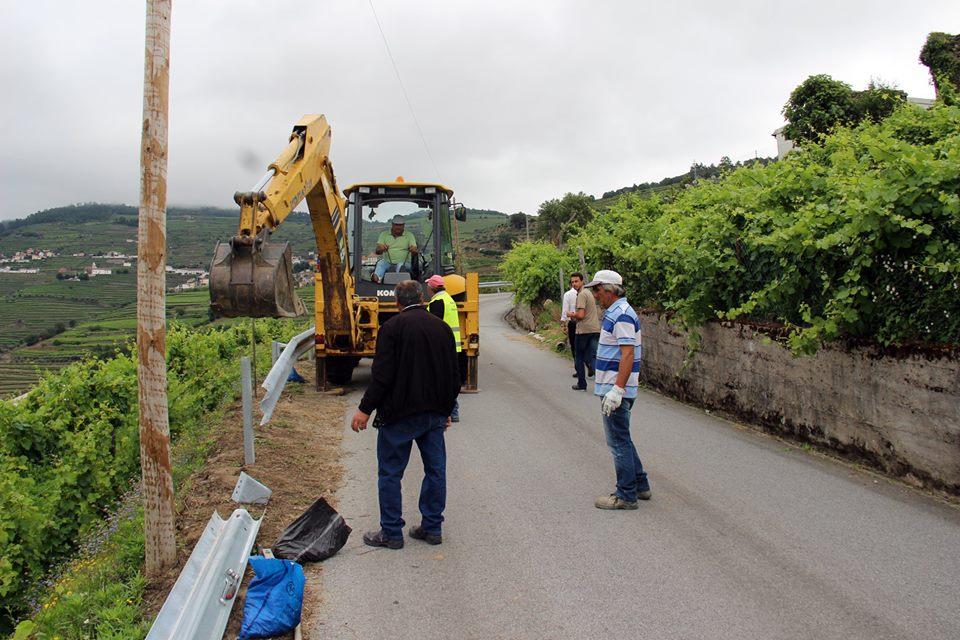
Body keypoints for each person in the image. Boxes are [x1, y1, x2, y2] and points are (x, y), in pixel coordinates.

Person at [351, 280, 460, 548]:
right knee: (436, 470)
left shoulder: (392, 329)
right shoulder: (442, 329)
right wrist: (446, 409)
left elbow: (382, 376)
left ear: (397, 302)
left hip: (398, 415)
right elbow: (454, 375)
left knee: (390, 473)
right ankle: (432, 528)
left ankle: (391, 533)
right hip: (434, 414)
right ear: (423, 299)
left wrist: (365, 409)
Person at [584, 269, 651, 510]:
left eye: (597, 289)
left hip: (616, 389)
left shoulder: (621, 315)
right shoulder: (616, 313)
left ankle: (625, 495)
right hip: (616, 387)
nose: (595, 295)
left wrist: (617, 390)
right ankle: (640, 484)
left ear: (610, 290)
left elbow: (628, 353)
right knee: (623, 437)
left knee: (618, 442)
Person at [426, 274, 462, 422]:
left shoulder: (437, 302)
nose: (427, 289)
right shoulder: (448, 299)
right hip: (453, 346)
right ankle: (452, 411)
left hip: (442, 347)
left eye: (428, 286)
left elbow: (433, 326)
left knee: (442, 380)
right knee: (448, 379)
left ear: (433, 288)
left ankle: (451, 411)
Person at [567, 271, 599, 391]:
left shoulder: (581, 295)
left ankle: (581, 383)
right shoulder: (589, 293)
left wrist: (571, 314)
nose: (574, 284)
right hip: (595, 329)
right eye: (572, 282)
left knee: (579, 356)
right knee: (592, 356)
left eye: (576, 281)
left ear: (582, 281)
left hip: (584, 330)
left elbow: (580, 315)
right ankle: (602, 382)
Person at [373, 215, 418, 283]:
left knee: (400, 266)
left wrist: (413, 249)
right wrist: (381, 249)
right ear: (392, 225)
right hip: (387, 261)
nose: (398, 227)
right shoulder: (384, 234)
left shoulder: (409, 235)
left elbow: (414, 249)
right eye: (396, 225)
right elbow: (377, 251)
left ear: (403, 225)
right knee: (380, 263)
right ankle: (376, 280)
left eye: (400, 225)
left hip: (404, 263)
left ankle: (398, 287)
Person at [560, 275, 579, 372]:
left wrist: (563, 323)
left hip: (573, 322)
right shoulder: (585, 293)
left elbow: (565, 310)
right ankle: (588, 365)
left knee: (574, 346)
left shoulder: (568, 294)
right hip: (583, 322)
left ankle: (578, 369)